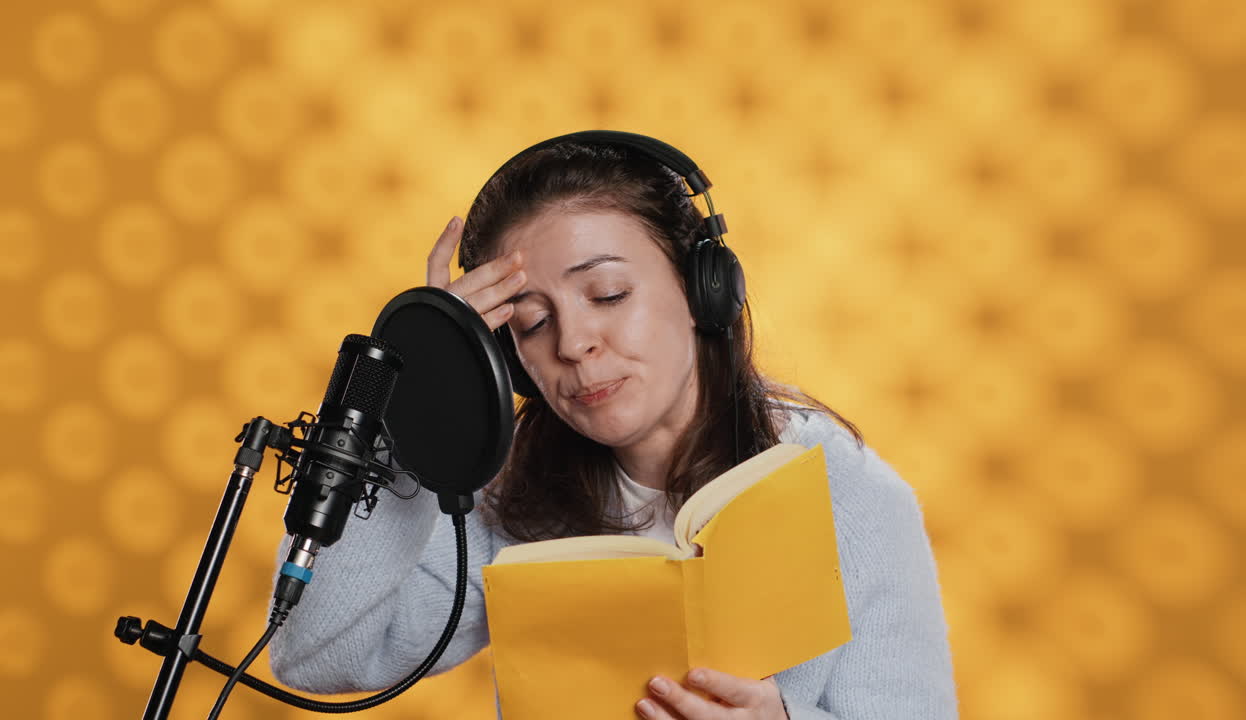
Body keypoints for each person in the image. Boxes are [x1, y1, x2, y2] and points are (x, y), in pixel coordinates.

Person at [268, 133, 958, 719]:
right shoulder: (512, 503)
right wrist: (418, 416)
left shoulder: (853, 497)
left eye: (607, 295)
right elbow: (313, 656)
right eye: (533, 323)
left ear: (702, 289)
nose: (573, 344)